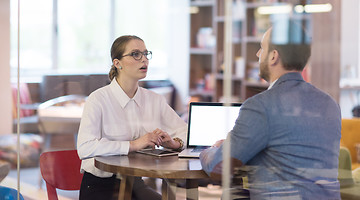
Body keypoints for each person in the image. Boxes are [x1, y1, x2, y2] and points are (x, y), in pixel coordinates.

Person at [199, 22, 342, 199]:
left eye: (262, 48)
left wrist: (211, 150)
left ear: (274, 56)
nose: (258, 54)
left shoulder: (261, 105)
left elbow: (218, 168)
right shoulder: (330, 104)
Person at [77, 35, 187, 200]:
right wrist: (134, 145)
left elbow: (186, 132)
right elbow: (85, 147)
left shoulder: (154, 100)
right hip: (100, 187)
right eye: (136, 54)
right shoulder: (98, 99)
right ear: (117, 63)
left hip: (135, 184)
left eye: (145, 53)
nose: (144, 60)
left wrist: (174, 142)